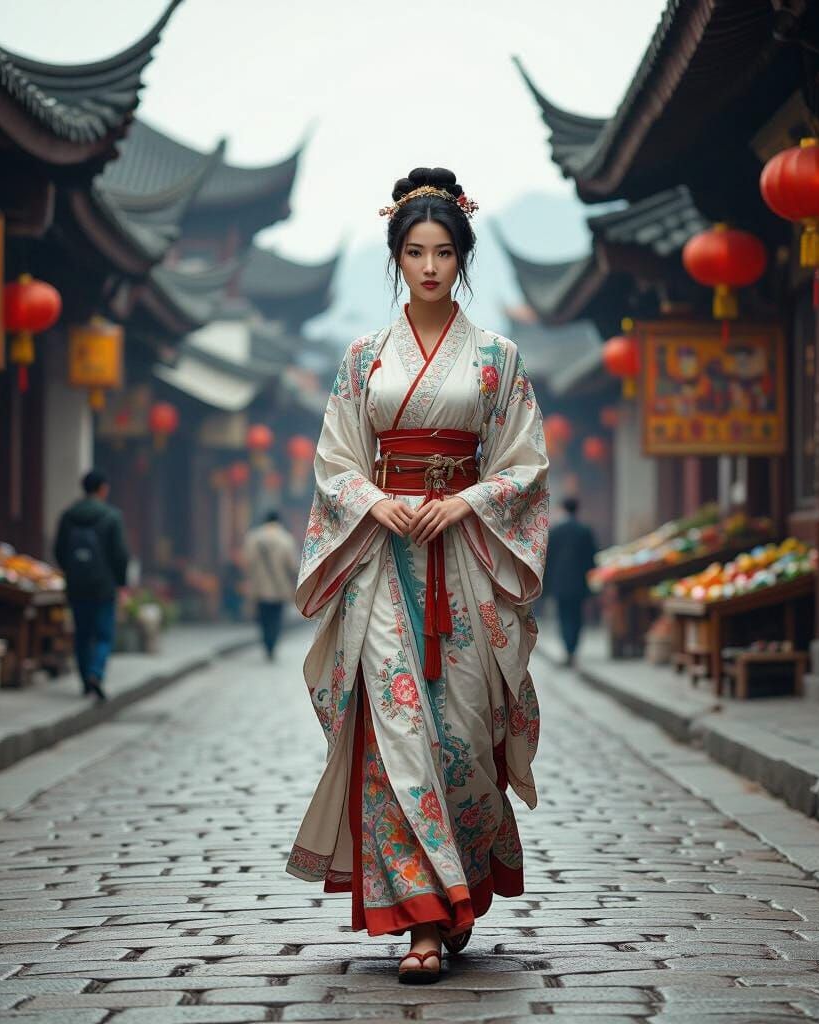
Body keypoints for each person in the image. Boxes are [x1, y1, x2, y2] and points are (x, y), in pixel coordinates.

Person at [286, 167, 549, 984]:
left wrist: (467, 500)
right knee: (396, 733)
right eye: (414, 252)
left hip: (465, 562)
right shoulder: (364, 359)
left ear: (462, 258)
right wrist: (374, 500)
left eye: (442, 252)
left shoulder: (498, 358)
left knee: (464, 735)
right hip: (382, 561)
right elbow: (335, 460)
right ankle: (424, 922)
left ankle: (458, 881)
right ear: (396, 258)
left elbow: (526, 464)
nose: (429, 266)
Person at [53, 469, 129, 701]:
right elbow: (120, 554)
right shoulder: (111, 516)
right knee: (104, 634)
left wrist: (71, 572)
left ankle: (85, 679)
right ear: (103, 489)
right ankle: (96, 672)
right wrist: (120, 582)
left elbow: (58, 549)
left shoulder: (68, 515)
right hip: (103, 586)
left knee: (82, 634)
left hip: (77, 585)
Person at [544, 497, 597, 666]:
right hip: (579, 582)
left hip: (560, 583)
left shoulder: (555, 531)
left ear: (563, 509)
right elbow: (591, 558)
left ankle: (568, 650)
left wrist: (546, 584)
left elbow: (548, 560)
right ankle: (573, 649)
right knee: (577, 616)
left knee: (563, 616)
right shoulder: (585, 530)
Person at [243, 510, 299, 659]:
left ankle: (266, 642)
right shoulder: (286, 539)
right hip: (279, 587)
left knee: (263, 618)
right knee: (276, 618)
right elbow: (293, 565)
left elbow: (247, 561)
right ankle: (272, 644)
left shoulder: (253, 537)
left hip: (259, 587)